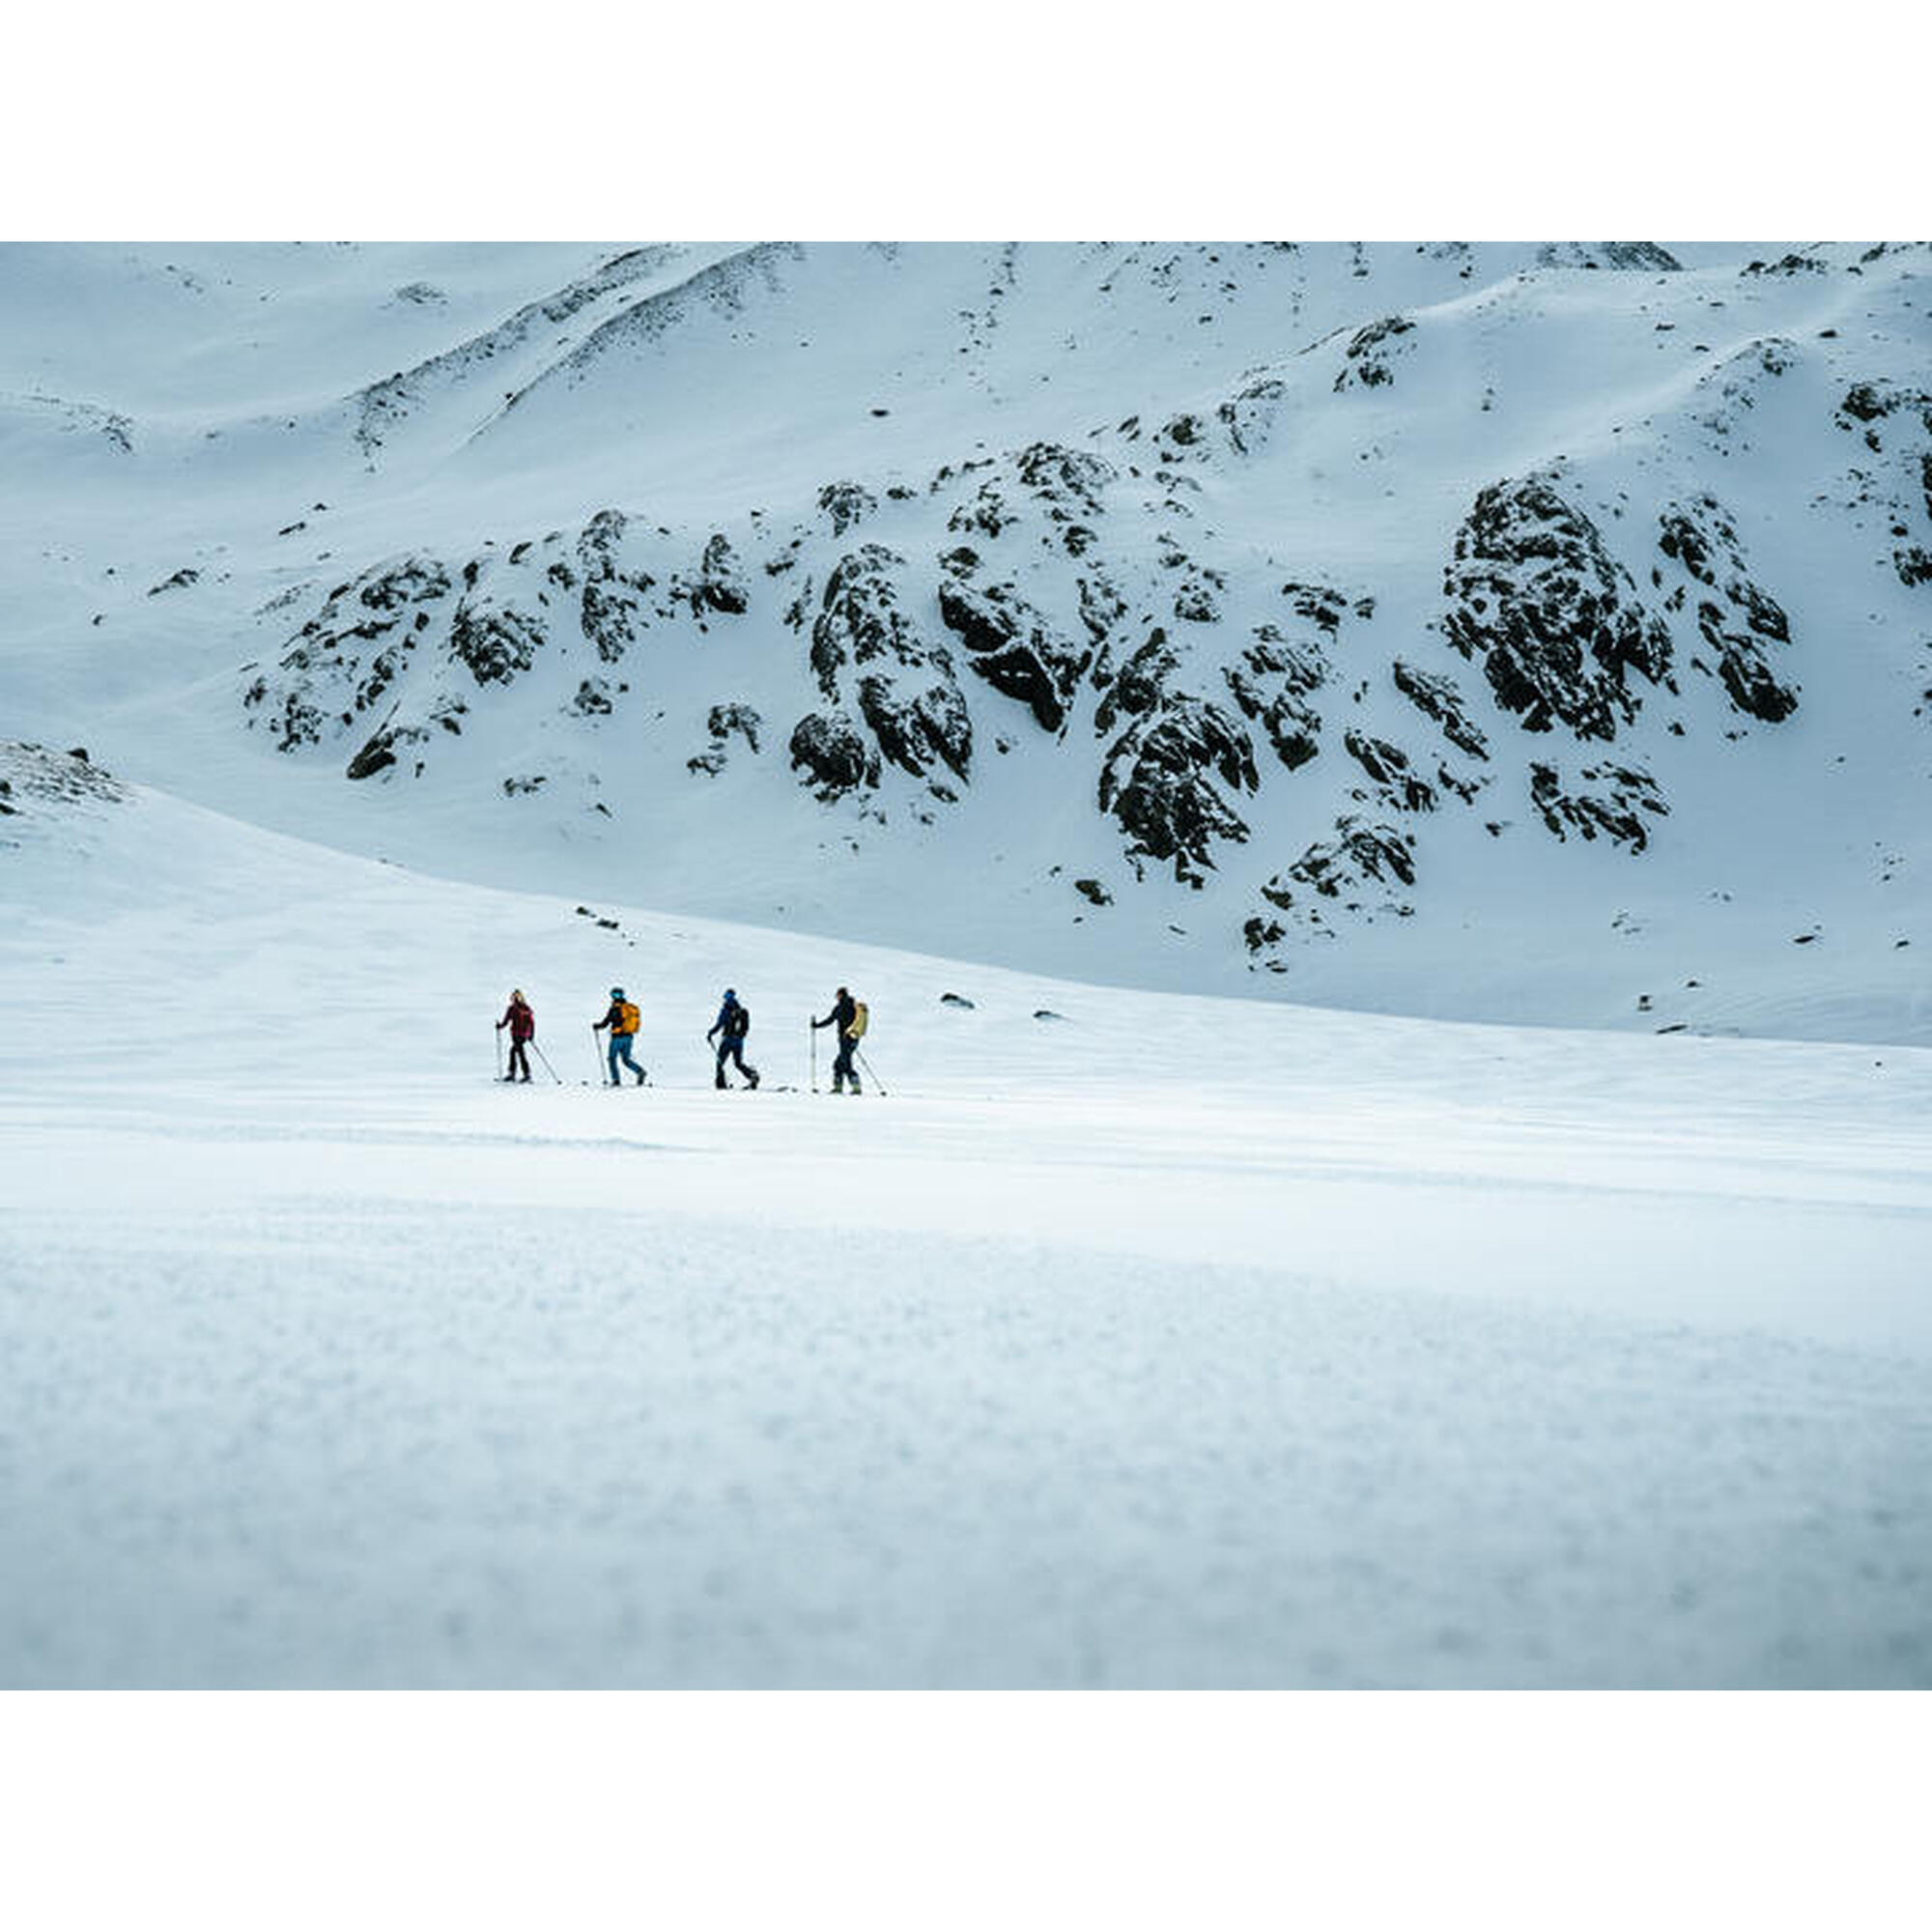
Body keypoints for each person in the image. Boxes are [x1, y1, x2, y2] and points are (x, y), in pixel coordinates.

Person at [810, 985, 862, 1094]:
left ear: (840, 995)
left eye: (837, 995)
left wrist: (816, 1025)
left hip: (845, 1039)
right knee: (840, 1063)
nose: (836, 997)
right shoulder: (853, 1006)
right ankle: (840, 1087)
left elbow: (830, 1020)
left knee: (845, 1064)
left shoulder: (840, 1007)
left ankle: (854, 1087)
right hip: (854, 1038)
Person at [706, 987, 760, 1090]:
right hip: (739, 1041)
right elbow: (746, 1027)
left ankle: (721, 1084)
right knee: (738, 1063)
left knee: (720, 1063)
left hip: (727, 1040)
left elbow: (719, 1025)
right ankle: (751, 1075)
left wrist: (710, 1033)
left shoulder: (726, 1010)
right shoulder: (741, 1010)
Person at [594, 986, 647, 1086]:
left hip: (617, 1038)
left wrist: (597, 1026)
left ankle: (616, 1080)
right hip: (629, 1037)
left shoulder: (615, 1009)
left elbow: (605, 1023)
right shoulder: (628, 1008)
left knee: (612, 1059)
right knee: (626, 1059)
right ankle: (640, 1071)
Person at [496, 988, 535, 1082]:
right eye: (514, 997)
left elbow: (531, 1023)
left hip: (522, 1035)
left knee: (517, 1052)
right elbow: (506, 1021)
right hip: (514, 1034)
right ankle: (518, 1074)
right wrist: (500, 1026)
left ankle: (522, 1074)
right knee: (514, 1051)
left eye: (517, 997)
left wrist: (531, 1035)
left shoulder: (525, 1008)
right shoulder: (511, 1009)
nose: (516, 999)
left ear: (521, 998)